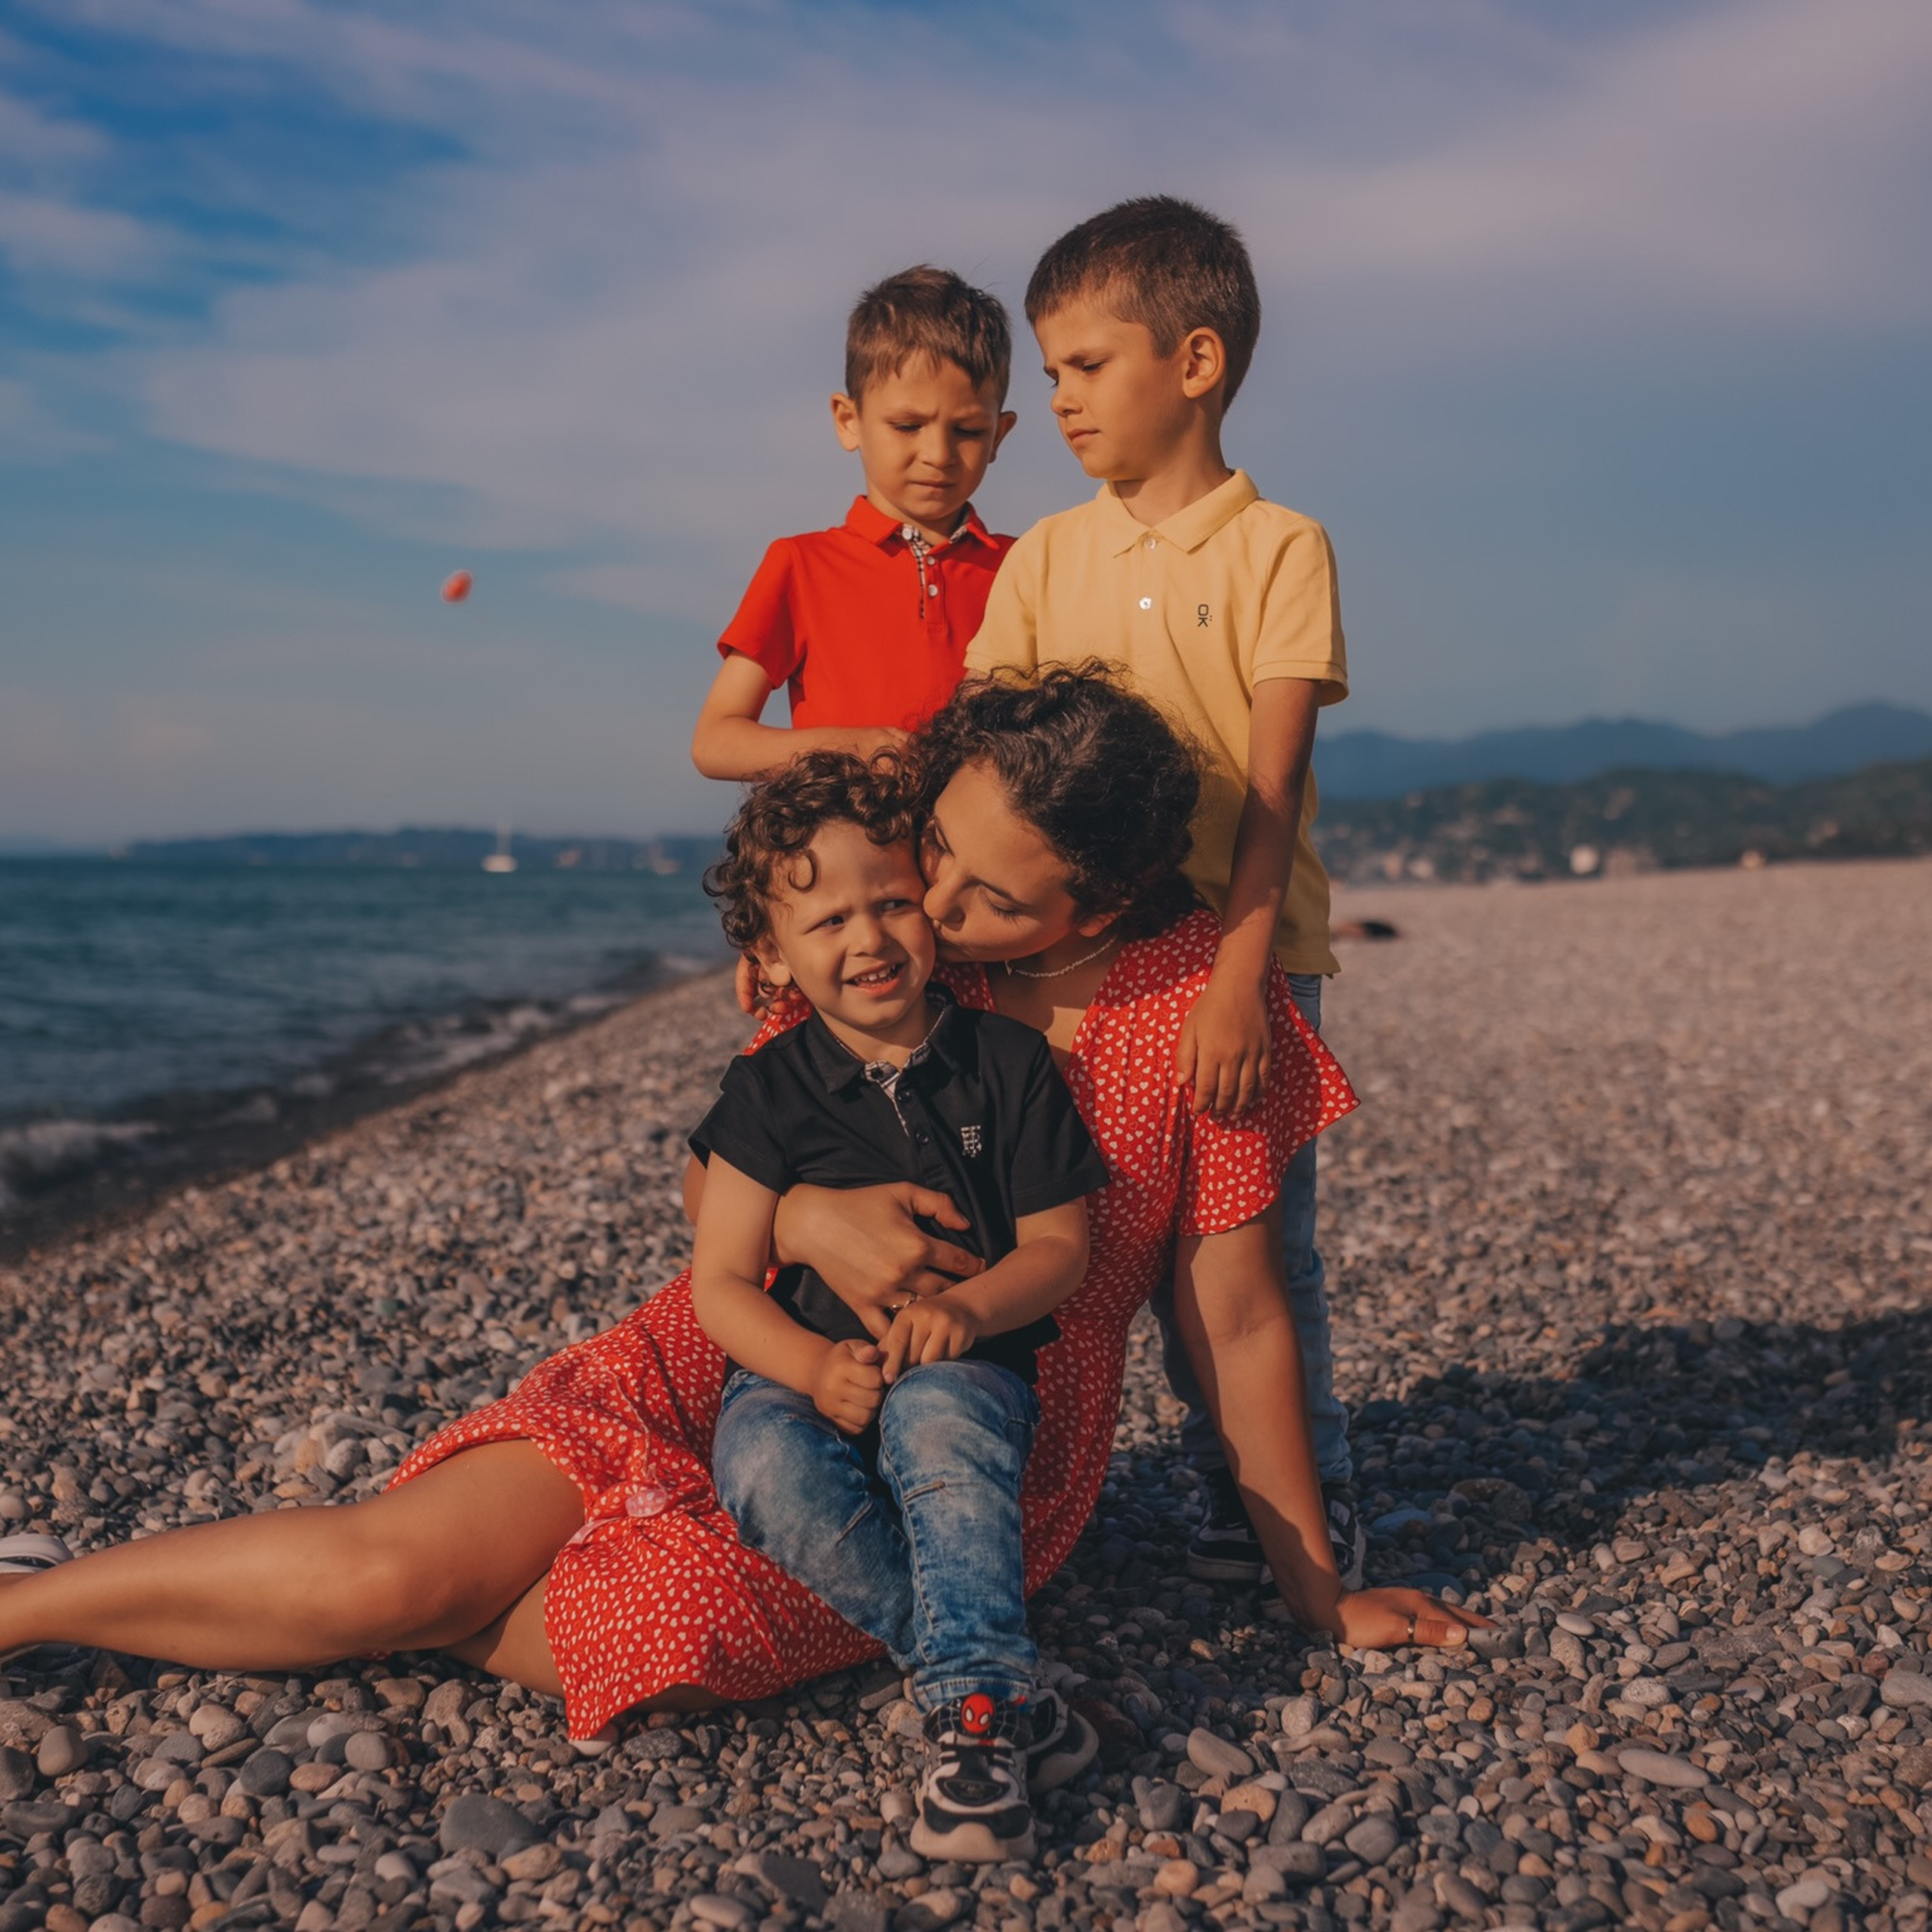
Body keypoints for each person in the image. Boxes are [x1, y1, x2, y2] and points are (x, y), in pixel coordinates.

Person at [0, 670, 1479, 1766]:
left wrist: (1318, 1592)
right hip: (727, 1341)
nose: (930, 906)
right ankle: (21, 1607)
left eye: (985, 895)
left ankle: (366, 1610)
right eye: (931, 859)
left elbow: (1233, 1316)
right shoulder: (889, 950)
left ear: (1094, 905)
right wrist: (821, 1219)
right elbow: (721, 1177)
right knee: (397, 1570)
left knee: (643, 1635)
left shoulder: (1200, 1021)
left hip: (958, 1451)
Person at [964, 195, 1364, 1592]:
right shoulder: (1041, 559)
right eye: (1050, 368)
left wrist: (1244, 980)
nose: (1057, 398)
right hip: (1071, 972)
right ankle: (998, 1496)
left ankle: (1279, 1511)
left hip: (1242, 957)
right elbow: (984, 774)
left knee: (1243, 1263)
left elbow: (1274, 790)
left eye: (1084, 365)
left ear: (1194, 363)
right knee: (1060, 1235)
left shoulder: (1281, 548)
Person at [690, 750, 1107, 1861]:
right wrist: (806, 1366)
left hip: (967, 1369)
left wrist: (971, 1312)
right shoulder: (765, 1092)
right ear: (773, 957)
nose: (868, 939)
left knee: (937, 1421)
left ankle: (973, 1731)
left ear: (928, 896)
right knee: (761, 1468)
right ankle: (996, 1682)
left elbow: (1064, 1245)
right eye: (826, 923)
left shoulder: (1006, 1062)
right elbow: (719, 1283)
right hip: (798, 1375)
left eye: (890, 902)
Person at [690, 266, 1017, 782]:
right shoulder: (800, 565)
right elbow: (716, 741)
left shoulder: (1027, 568)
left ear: (1000, 434)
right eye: (908, 426)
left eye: (969, 430)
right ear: (849, 421)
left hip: (982, 862)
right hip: (850, 853)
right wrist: (853, 747)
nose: (938, 454)